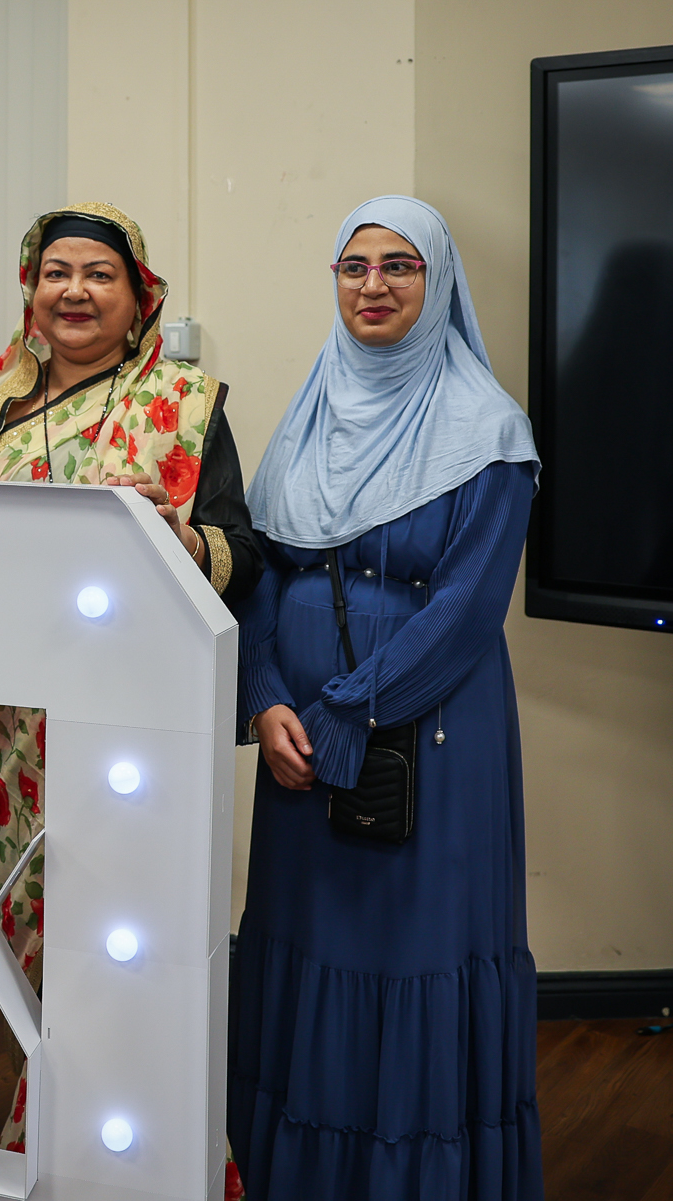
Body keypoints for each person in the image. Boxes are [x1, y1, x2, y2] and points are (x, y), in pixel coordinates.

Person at [229, 196, 542, 1199]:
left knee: (413, 954)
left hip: (426, 735)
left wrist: (347, 711)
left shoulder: (487, 430)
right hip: (295, 741)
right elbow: (269, 570)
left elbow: (463, 609)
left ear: (435, 280)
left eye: (398, 266)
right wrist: (266, 698)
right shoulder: (309, 411)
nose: (371, 286)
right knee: (304, 947)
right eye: (352, 267)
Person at [0, 201, 262, 1154]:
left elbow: (243, 552)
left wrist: (180, 537)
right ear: (31, 291)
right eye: (56, 273)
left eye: (99, 275)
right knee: (29, 939)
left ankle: (123, 1139)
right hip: (7, 732)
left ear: (138, 293)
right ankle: (68, 1123)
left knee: (124, 937)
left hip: (132, 719)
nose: (74, 291)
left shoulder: (189, 402)